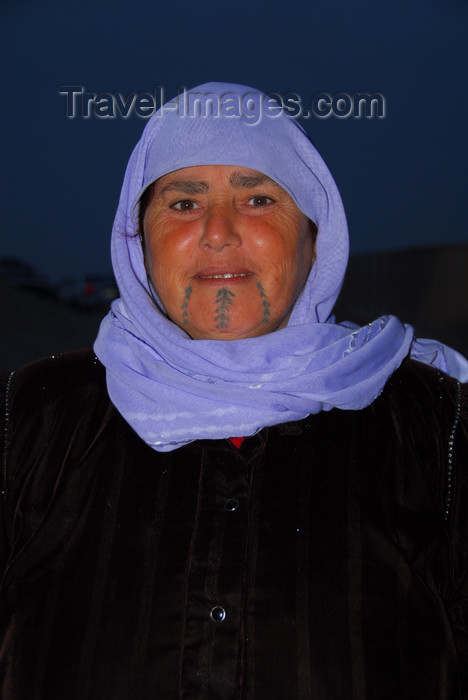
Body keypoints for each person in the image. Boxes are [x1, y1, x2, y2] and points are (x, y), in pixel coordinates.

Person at [1, 82, 467, 700]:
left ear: (315, 236)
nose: (219, 232)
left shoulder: (435, 424)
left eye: (257, 197)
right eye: (184, 203)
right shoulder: (34, 417)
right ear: (138, 240)